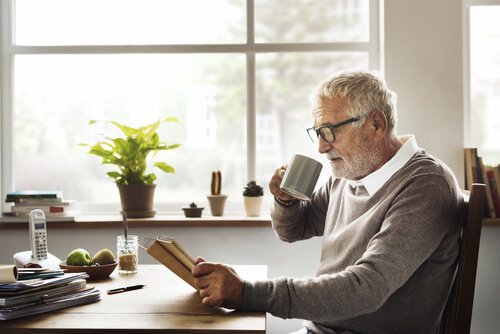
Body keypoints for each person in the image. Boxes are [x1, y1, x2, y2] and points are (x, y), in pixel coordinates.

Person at [192, 70, 463, 334]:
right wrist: (285, 199)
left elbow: (366, 289)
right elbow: (293, 230)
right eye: (318, 132)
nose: (321, 147)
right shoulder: (350, 174)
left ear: (376, 124)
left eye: (330, 131)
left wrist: (247, 293)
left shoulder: (426, 184)